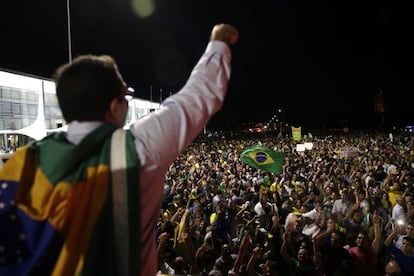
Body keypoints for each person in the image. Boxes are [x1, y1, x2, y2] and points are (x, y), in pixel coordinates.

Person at [0, 23, 239, 276]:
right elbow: (197, 96)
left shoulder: (21, 162)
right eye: (125, 95)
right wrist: (218, 41)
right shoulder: (138, 148)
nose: (127, 101)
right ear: (115, 106)